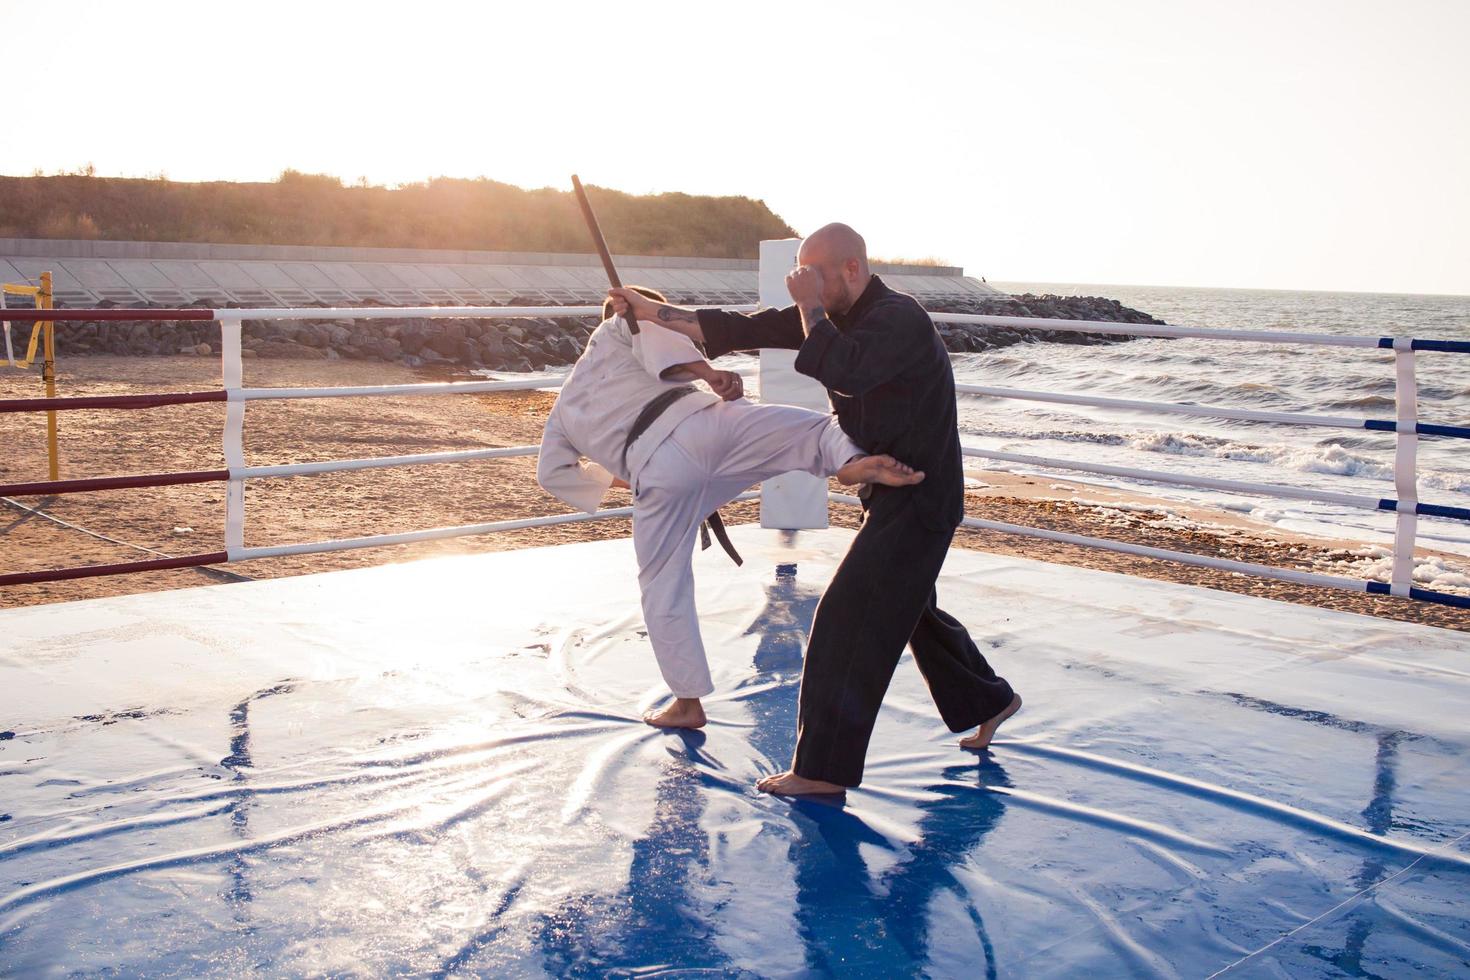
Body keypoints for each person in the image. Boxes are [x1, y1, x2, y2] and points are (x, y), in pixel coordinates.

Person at [608, 224, 1022, 794]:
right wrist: (649, 309)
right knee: (910, 611)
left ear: (852, 269)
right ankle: (990, 699)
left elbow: (845, 369)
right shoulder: (829, 312)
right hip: (890, 492)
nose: (805, 288)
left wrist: (808, 308)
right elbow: (733, 326)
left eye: (815, 276)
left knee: (845, 620)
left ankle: (821, 772)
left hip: (922, 497)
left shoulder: (899, 318)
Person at [537, 286, 925, 730]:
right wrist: (710, 373)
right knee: (813, 433)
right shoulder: (619, 325)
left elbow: (553, 473)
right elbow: (649, 331)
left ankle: (687, 704)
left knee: (663, 586)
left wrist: (630, 478)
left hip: (656, 472)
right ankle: (852, 461)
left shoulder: (564, 407)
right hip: (707, 426)